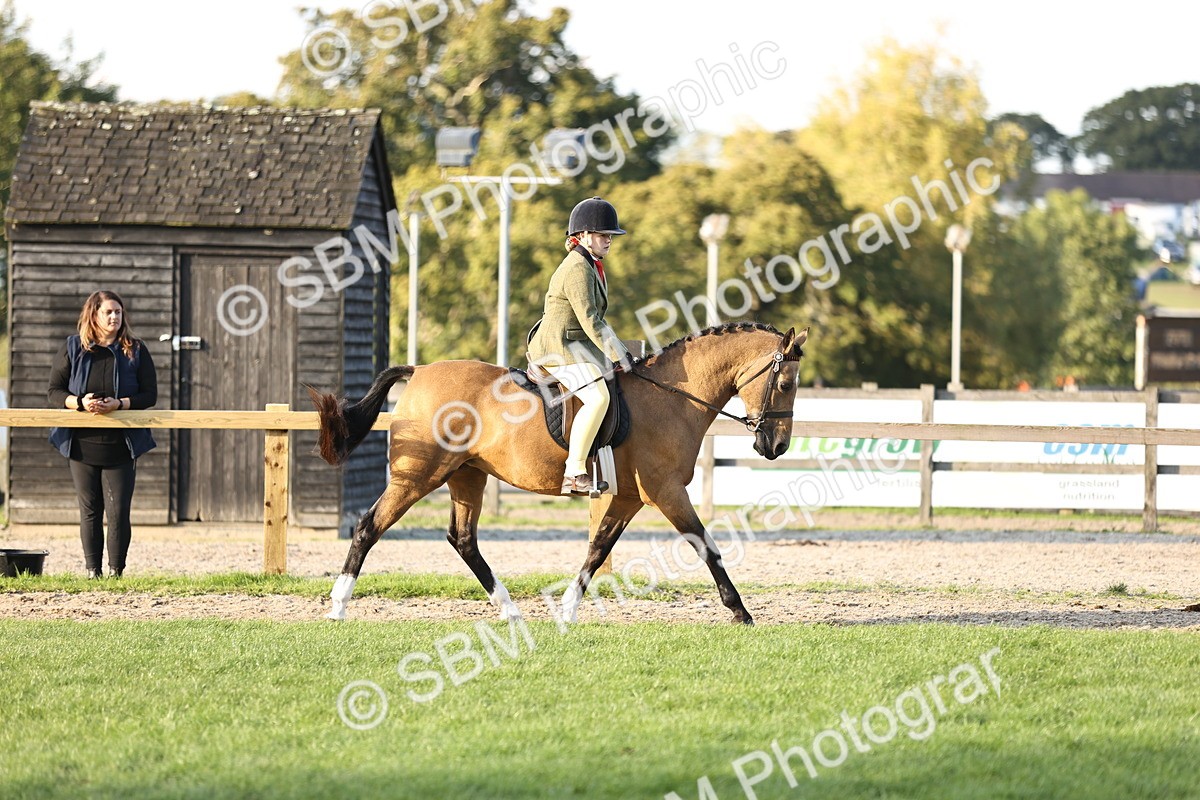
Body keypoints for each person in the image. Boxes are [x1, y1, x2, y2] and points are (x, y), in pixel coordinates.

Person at [527, 197, 635, 496]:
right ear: (583, 235)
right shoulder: (577, 267)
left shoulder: (591, 264)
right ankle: (575, 472)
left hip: (575, 346)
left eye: (610, 236)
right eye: (603, 235)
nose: (608, 240)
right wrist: (618, 353)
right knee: (599, 396)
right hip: (556, 349)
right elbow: (590, 319)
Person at [47, 291, 157, 579]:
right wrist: (81, 403)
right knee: (90, 510)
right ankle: (92, 571)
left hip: (122, 443)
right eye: (108, 312)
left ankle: (116, 571)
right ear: (93, 315)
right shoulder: (73, 347)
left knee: (119, 511)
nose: (114, 317)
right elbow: (55, 392)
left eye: (118, 312)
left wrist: (119, 404)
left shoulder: (136, 349)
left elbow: (150, 395)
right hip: (81, 442)